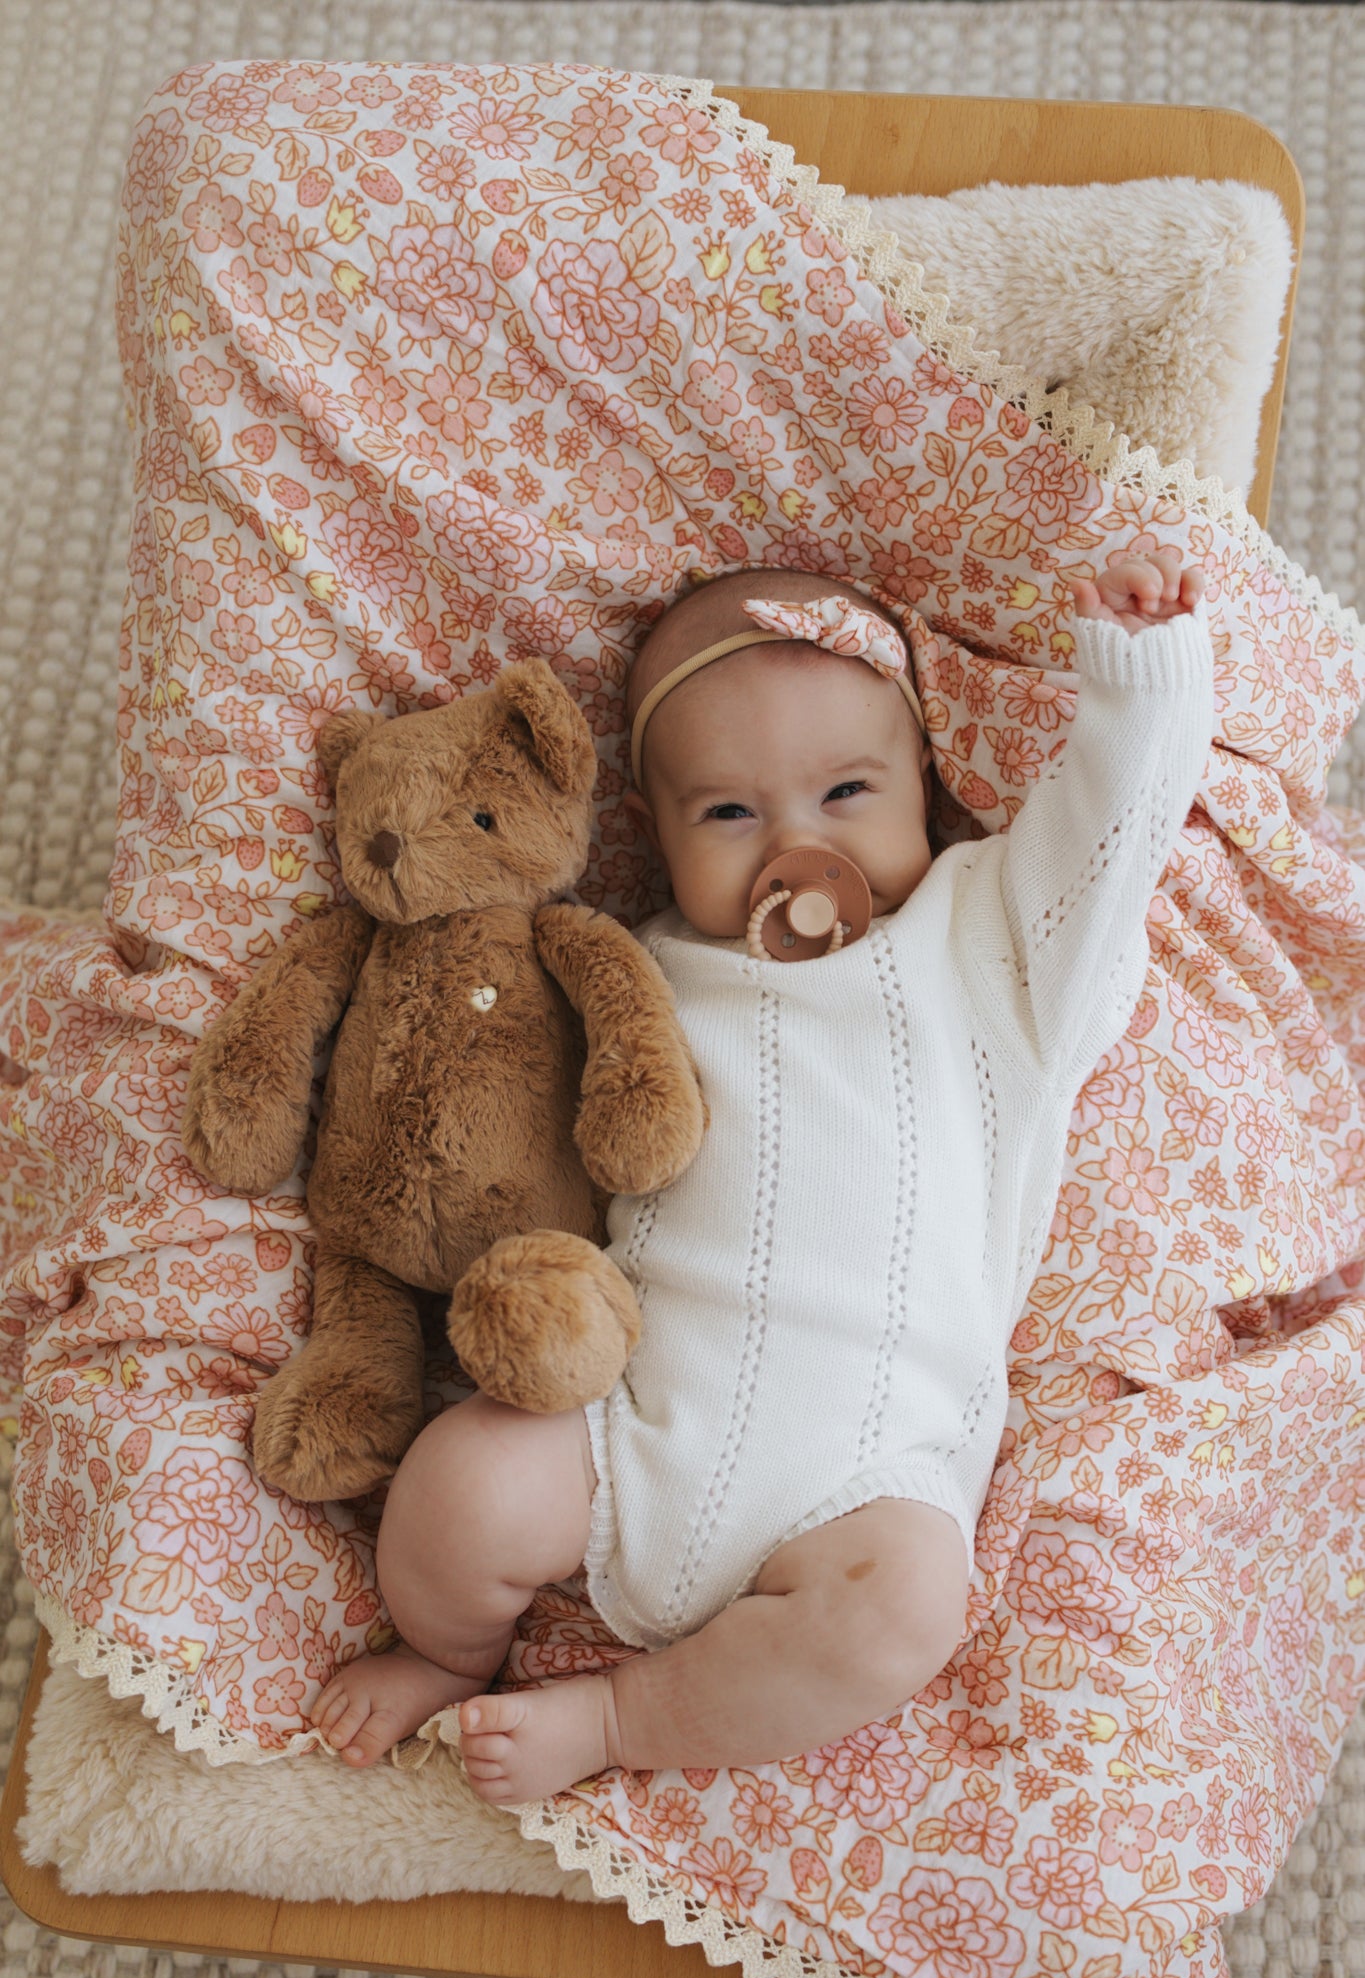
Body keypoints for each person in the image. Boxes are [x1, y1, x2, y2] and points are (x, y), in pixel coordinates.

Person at [305, 545, 1213, 1806]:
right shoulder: (639, 966)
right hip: (624, 1433)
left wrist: (1143, 671)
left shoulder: (987, 944)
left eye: (847, 790)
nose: (797, 842)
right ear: (660, 834)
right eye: (728, 813)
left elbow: (1113, 838)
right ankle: (450, 1653)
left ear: (928, 790)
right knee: (457, 1488)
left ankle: (623, 1714)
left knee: (907, 1609)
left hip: (863, 1478)